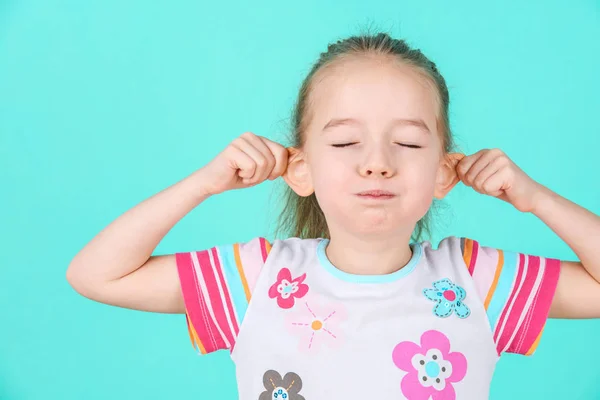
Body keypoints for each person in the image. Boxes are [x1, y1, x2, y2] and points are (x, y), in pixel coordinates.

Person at [66, 32, 600, 400]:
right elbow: (95, 274)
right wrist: (204, 184)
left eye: (409, 142)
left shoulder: (477, 281)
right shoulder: (257, 278)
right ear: (300, 169)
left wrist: (537, 200)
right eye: (346, 141)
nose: (377, 164)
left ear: (444, 172)